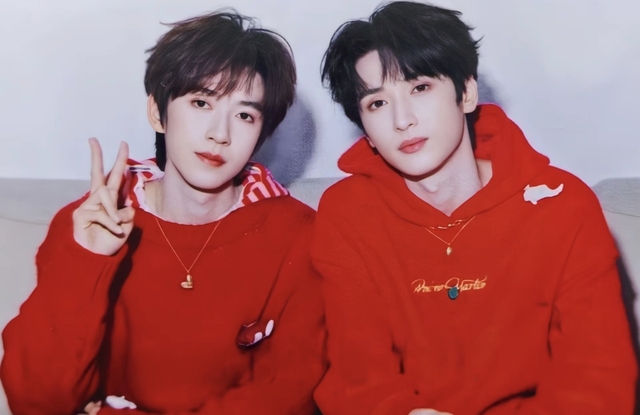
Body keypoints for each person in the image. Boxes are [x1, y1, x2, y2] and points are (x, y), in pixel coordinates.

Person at [311, 2, 637, 414]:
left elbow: (599, 383)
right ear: (366, 131)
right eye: (377, 103)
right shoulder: (347, 213)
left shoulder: (563, 205)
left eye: (419, 88)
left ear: (466, 93)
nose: (402, 120)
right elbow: (358, 379)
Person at [1, 10, 325, 415]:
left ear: (261, 132)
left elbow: (288, 392)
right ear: (158, 112)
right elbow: (35, 402)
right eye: (201, 102)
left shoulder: (298, 233)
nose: (220, 134)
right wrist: (86, 260)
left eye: (245, 115)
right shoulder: (91, 223)